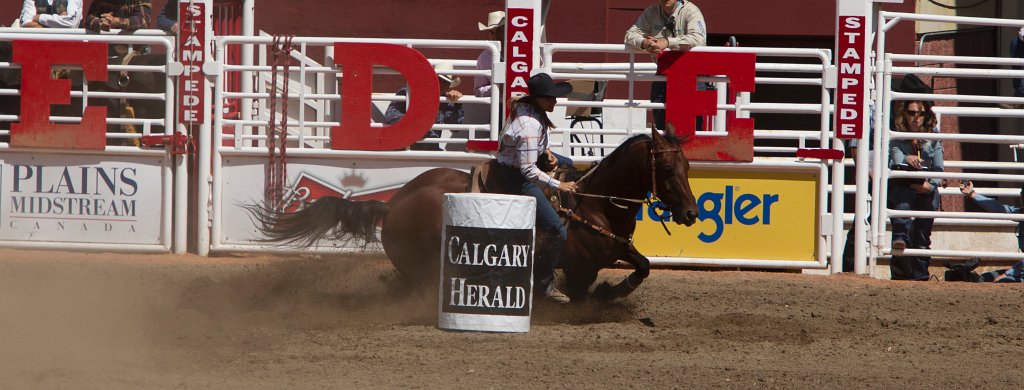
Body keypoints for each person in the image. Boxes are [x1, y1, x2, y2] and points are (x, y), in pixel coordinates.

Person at [496, 73, 577, 303]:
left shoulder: (529, 111)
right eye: (550, 98)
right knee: (556, 231)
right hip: (515, 178)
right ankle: (544, 285)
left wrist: (547, 152)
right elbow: (528, 171)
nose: (555, 101)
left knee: (568, 164)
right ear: (539, 99)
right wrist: (559, 184)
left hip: (517, 164)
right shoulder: (529, 125)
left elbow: (530, 150)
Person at [624, 0, 707, 131]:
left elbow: (698, 39)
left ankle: (688, 150)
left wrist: (667, 42)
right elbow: (630, 35)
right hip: (664, 74)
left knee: (692, 129)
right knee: (662, 124)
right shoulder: (651, 12)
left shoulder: (691, 11)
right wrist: (644, 42)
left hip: (692, 75)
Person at [888, 95, 944, 281]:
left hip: (925, 188)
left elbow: (939, 168)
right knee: (903, 207)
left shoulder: (933, 136)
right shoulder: (896, 135)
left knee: (921, 235)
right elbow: (896, 159)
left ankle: (920, 276)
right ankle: (900, 248)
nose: (916, 118)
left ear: (927, 115)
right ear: (904, 114)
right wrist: (906, 158)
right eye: (912, 113)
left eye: (921, 114)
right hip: (904, 185)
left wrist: (930, 186)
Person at [383, 61, 464, 151]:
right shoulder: (408, 92)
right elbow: (390, 115)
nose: (440, 85)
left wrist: (456, 103)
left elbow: (456, 127)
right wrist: (420, 121)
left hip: (430, 150)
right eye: (438, 80)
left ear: (448, 86)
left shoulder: (445, 100)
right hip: (406, 149)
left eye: (445, 83)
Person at [474, 10, 504, 98]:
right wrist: (497, 88)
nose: (495, 36)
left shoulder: (523, 51)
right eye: (491, 32)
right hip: (499, 106)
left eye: (500, 31)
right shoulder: (485, 57)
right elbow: (478, 91)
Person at [84, 0, 151, 32]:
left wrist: (118, 22)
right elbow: (89, 19)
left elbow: (143, 21)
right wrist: (100, 22)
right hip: (108, 50)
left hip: (135, 51)